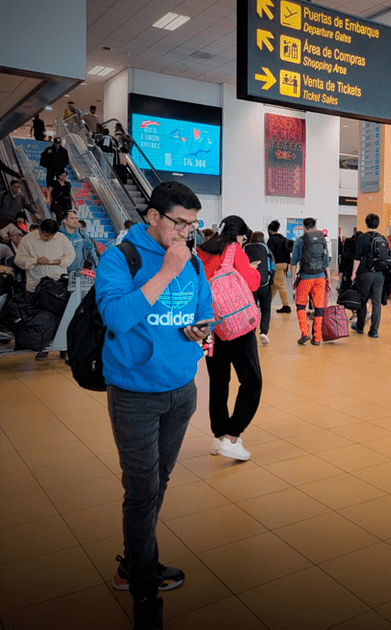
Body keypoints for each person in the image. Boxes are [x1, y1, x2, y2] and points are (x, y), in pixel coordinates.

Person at [94, 181, 210, 628]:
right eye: (180, 222)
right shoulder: (121, 258)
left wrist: (201, 330)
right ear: (153, 216)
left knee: (158, 479)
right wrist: (165, 270)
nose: (187, 233)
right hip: (135, 392)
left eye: (194, 225)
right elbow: (118, 318)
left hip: (181, 388)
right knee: (142, 490)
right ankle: (143, 590)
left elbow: (205, 308)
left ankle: (134, 561)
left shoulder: (193, 261)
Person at [196, 216, 261, 462]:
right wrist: (253, 270)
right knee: (251, 381)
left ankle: (218, 435)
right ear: (238, 235)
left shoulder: (202, 252)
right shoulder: (234, 251)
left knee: (219, 380)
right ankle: (232, 437)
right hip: (237, 327)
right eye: (244, 236)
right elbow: (252, 283)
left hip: (211, 326)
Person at [289, 218, 330, 345]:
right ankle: (317, 338)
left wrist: (293, 278)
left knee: (301, 304)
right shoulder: (322, 239)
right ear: (315, 226)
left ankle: (305, 332)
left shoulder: (301, 240)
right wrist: (328, 279)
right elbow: (326, 261)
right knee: (319, 307)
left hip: (306, 277)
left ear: (304, 227)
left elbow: (294, 261)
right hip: (321, 277)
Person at [351, 213, 389, 338]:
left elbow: (357, 257)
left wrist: (353, 273)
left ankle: (360, 327)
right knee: (376, 302)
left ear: (366, 223)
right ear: (377, 224)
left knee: (363, 299)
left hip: (365, 273)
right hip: (380, 274)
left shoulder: (362, 238)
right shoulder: (383, 239)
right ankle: (374, 330)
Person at [13, 217, 74, 294]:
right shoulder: (27, 239)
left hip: (57, 284)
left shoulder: (62, 238)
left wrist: (61, 261)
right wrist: (35, 260)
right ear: (40, 230)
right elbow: (18, 260)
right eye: (45, 235)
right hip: (35, 286)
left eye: (51, 236)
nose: (48, 238)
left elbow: (71, 254)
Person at [244, 231, 274, 345]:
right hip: (265, 284)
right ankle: (264, 332)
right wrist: (271, 279)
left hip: (250, 286)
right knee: (265, 310)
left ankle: (251, 331)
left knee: (251, 309)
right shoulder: (266, 249)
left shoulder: (245, 248)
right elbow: (272, 265)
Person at [266, 221, 293, 313]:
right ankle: (267, 303)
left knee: (280, 285)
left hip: (276, 264)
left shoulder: (271, 240)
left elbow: (270, 254)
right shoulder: (283, 238)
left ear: (269, 230)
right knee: (274, 285)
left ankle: (286, 306)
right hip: (285, 264)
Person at [60, 210, 97, 274]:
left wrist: (96, 261)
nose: (75, 220)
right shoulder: (59, 234)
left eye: (76, 218)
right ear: (65, 221)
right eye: (72, 218)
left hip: (78, 272)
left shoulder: (81, 232)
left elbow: (90, 247)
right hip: (63, 272)